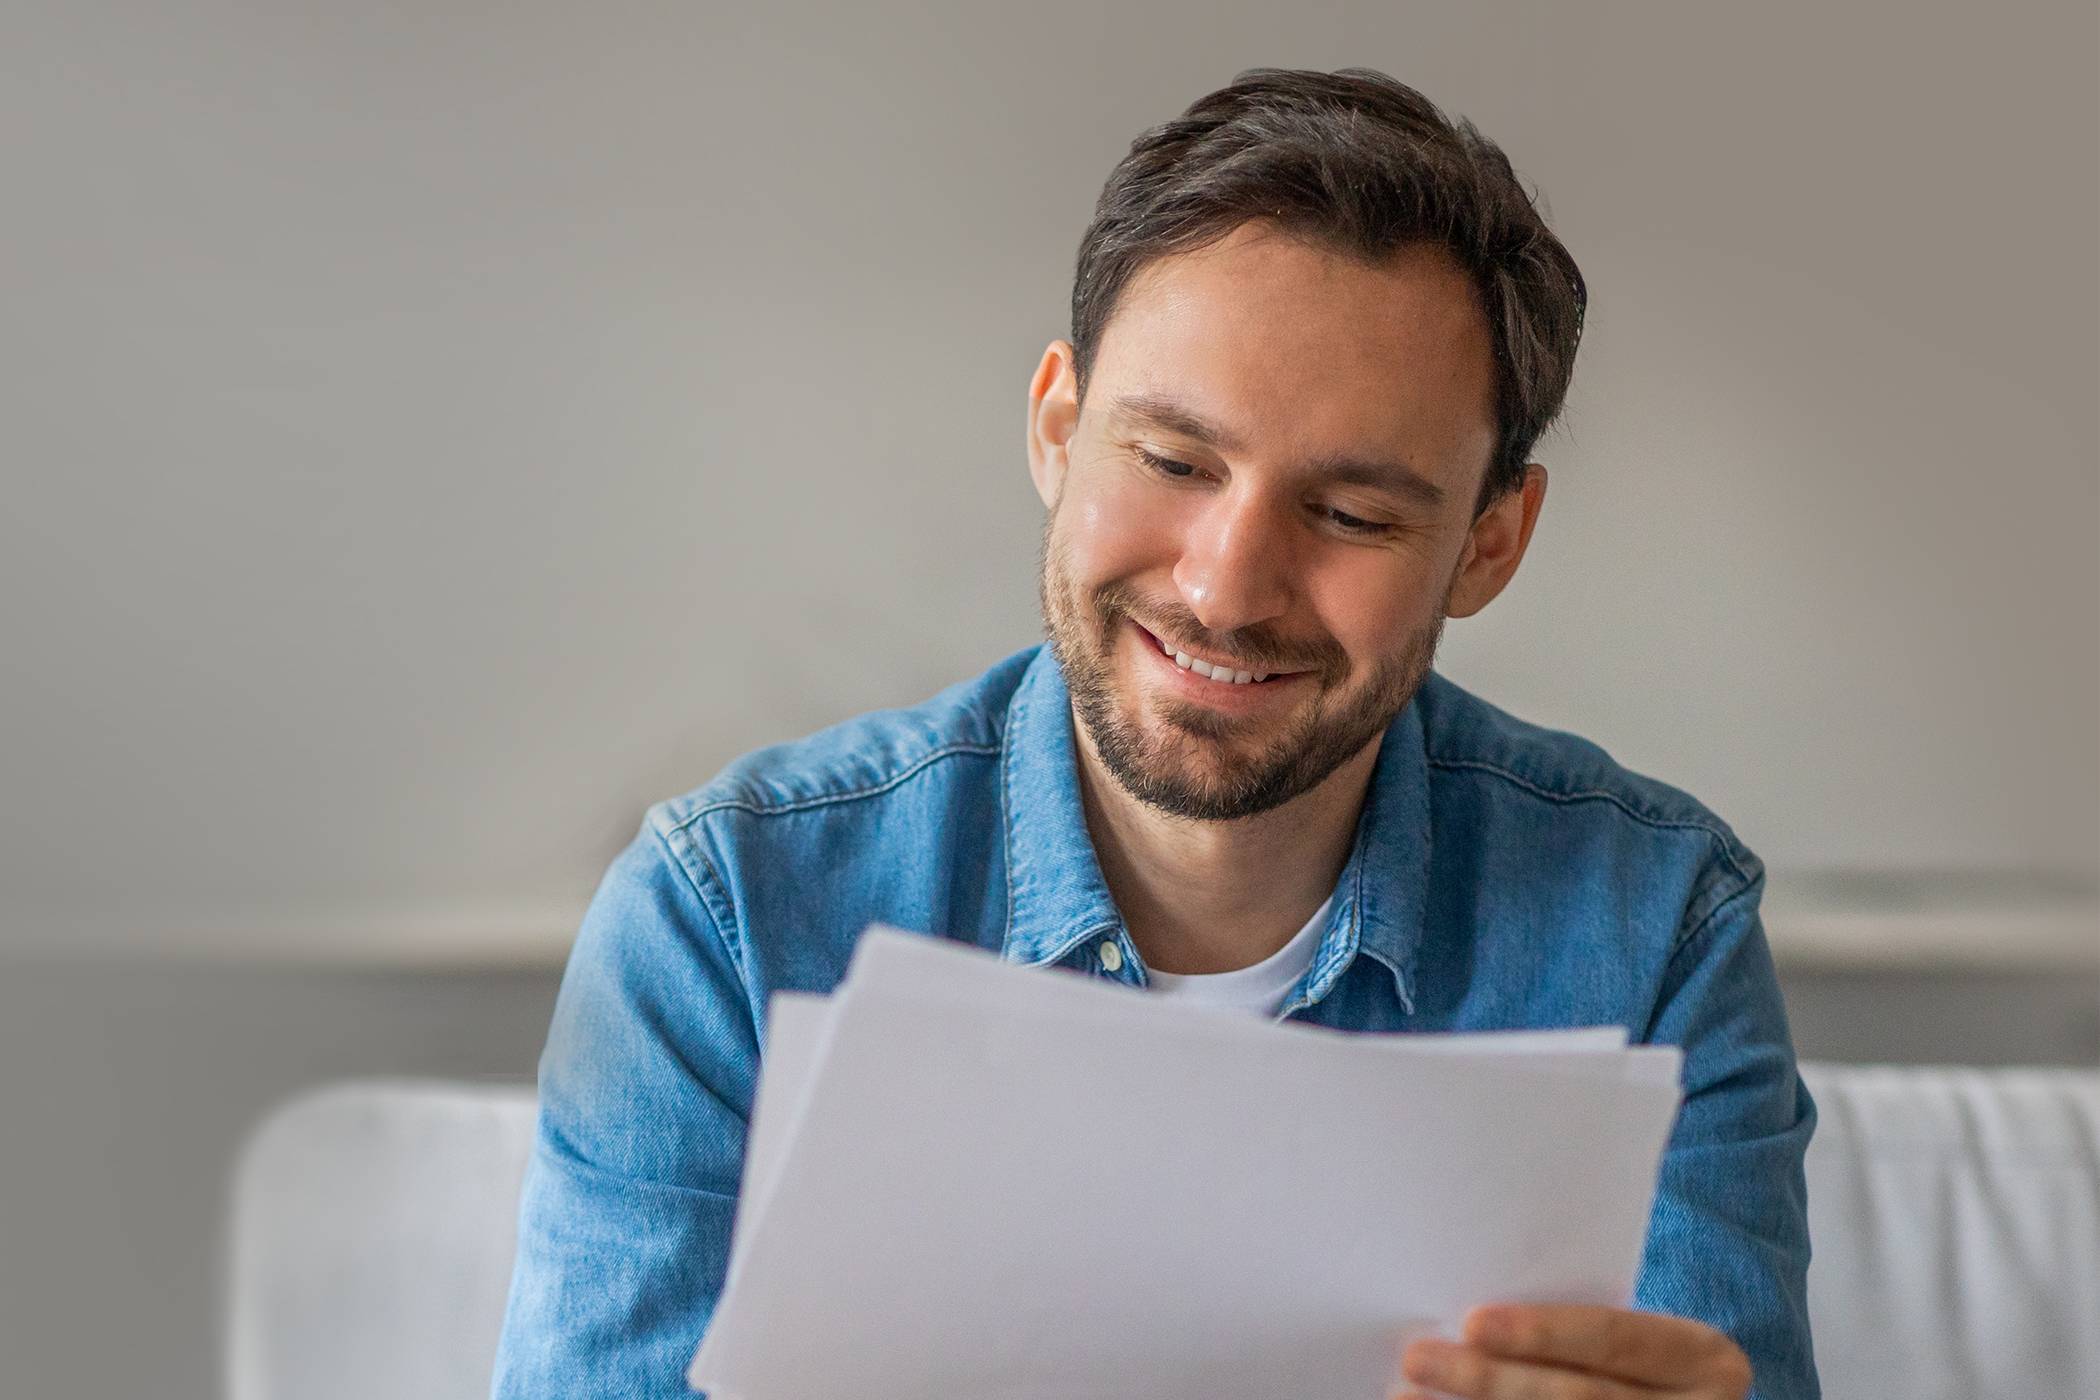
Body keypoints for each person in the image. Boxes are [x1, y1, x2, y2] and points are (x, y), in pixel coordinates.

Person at [491, 67, 1816, 1400]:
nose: (1225, 591)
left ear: (1488, 544)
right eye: (1174, 463)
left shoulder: (1655, 932)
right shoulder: (722, 921)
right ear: (1059, 433)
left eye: (1352, 515)